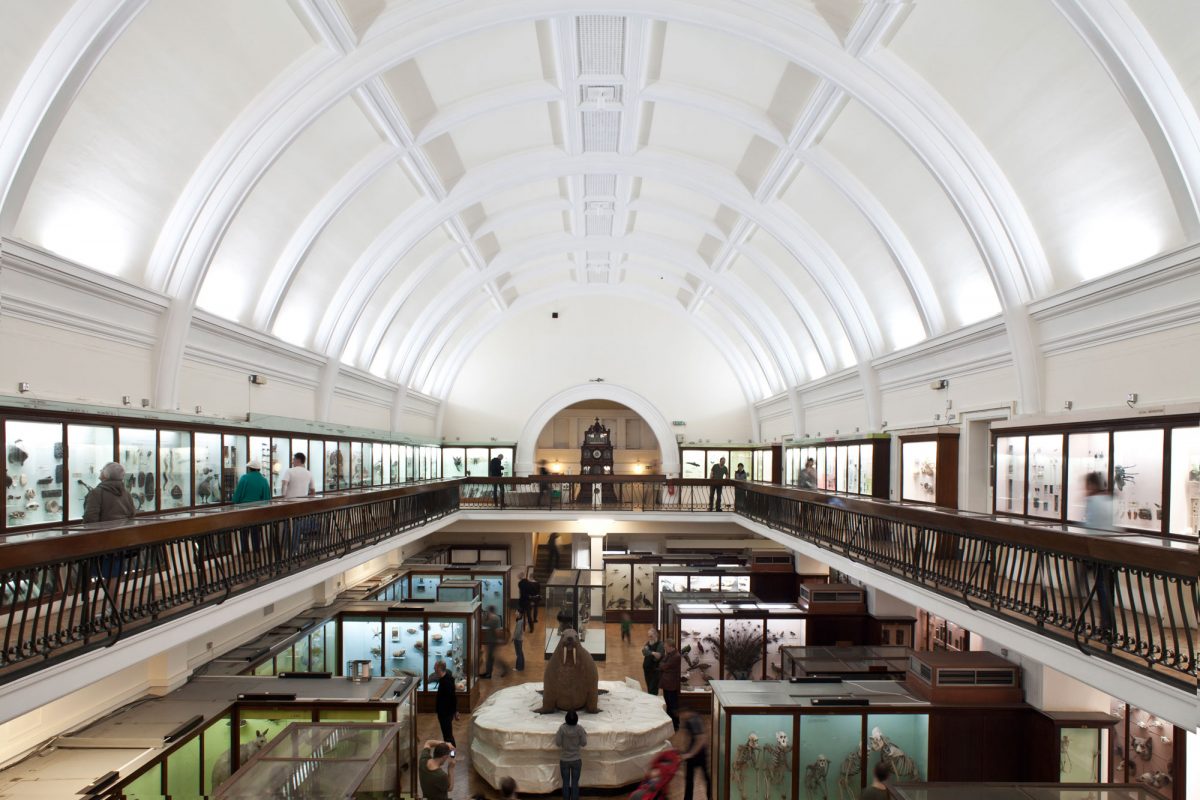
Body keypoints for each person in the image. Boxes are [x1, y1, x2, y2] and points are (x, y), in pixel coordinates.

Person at [84, 462, 137, 592]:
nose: (100, 472)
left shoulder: (96, 493)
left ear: (106, 475)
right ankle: (112, 602)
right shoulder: (126, 493)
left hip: (103, 542)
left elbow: (90, 519)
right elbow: (132, 514)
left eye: (102, 470)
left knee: (109, 573)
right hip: (121, 540)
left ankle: (111, 603)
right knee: (115, 573)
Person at [1083, 471, 1117, 640]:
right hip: (1108, 550)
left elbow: (1089, 525)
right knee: (1105, 587)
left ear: (1092, 485)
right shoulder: (1108, 500)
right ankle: (1107, 625)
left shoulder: (1093, 501)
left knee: (1101, 587)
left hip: (1096, 550)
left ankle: (1105, 625)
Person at [233, 460, 272, 559]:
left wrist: (235, 502)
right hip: (257, 511)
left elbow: (237, 496)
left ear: (250, 468)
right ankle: (256, 554)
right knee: (256, 533)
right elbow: (267, 499)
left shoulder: (244, 478)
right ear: (259, 469)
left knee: (244, 533)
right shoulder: (263, 480)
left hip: (244, 510)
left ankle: (245, 554)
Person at [554, 710, 587, 800]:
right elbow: (584, 743)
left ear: (566, 719)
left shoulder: (562, 729)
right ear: (577, 719)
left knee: (565, 783)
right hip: (576, 759)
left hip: (564, 760)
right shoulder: (580, 729)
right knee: (575, 783)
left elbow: (558, 743)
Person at [680, 708, 710, 800]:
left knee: (704, 778)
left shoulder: (694, 720)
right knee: (690, 779)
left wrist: (690, 754)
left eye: (682, 714)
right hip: (693, 753)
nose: (681, 716)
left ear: (686, 712)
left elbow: (701, 739)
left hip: (699, 754)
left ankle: (710, 796)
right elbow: (687, 736)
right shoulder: (688, 721)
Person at [430, 659, 458, 746]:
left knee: (448, 735)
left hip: (446, 713)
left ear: (439, 668)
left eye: (435, 667)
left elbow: (452, 697)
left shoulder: (446, 681)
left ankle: (452, 752)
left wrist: (455, 711)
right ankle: (449, 751)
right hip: (444, 712)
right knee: (446, 735)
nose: (434, 668)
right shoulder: (445, 679)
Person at [479, 605, 508, 678]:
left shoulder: (494, 619)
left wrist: (498, 639)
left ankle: (502, 669)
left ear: (490, 611)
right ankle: (488, 673)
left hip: (493, 641)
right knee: (490, 658)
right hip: (491, 641)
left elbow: (485, 624)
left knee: (492, 658)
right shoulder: (494, 618)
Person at [659, 638, 682, 730]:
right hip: (667, 683)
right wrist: (663, 665)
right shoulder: (669, 654)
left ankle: (675, 724)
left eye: (666, 647)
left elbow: (664, 666)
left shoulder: (676, 656)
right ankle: (670, 723)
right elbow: (662, 663)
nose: (665, 649)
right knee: (668, 704)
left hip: (671, 685)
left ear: (671, 647)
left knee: (673, 705)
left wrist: (663, 666)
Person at [642, 627, 664, 695]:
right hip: (647, 670)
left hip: (655, 671)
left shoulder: (660, 644)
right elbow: (644, 652)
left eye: (651, 636)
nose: (649, 638)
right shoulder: (648, 643)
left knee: (653, 689)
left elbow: (658, 656)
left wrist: (649, 652)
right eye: (649, 636)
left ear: (656, 635)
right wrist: (653, 653)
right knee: (649, 688)